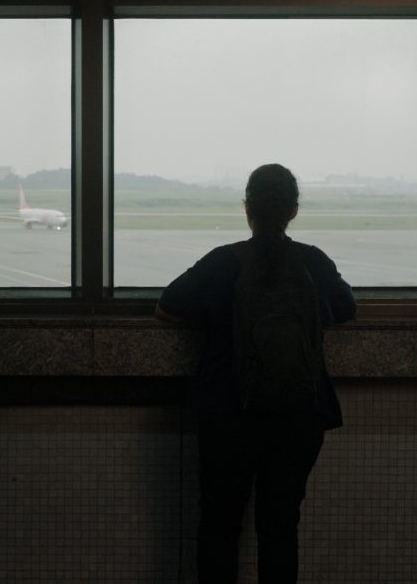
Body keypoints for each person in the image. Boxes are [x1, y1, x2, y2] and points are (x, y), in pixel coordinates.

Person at [155, 164, 355, 583]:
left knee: (219, 525)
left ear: (248, 208)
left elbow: (168, 305)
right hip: (299, 415)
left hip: (229, 415)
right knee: (280, 527)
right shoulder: (313, 263)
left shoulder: (223, 263)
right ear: (293, 210)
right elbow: (346, 308)